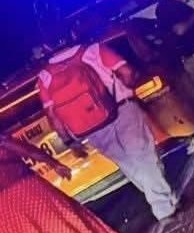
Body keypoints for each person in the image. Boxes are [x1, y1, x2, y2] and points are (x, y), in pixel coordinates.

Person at [36, 22, 179, 222]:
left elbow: (52, 115)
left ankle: (167, 199)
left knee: (129, 164)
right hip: (122, 109)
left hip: (90, 127)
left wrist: (70, 142)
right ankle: (163, 208)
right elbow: (127, 73)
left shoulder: (45, 77)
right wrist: (130, 85)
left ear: (46, 48)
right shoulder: (94, 51)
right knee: (144, 156)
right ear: (70, 34)